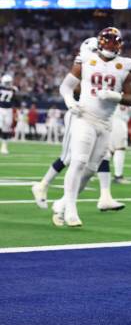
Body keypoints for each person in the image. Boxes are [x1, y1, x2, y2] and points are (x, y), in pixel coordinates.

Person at [51, 27, 131, 227]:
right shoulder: (86, 58)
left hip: (106, 123)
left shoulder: (126, 65)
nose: (110, 45)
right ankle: (71, 209)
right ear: (99, 42)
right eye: (106, 41)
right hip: (85, 117)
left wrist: (116, 96)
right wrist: (70, 102)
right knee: (78, 161)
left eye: (114, 41)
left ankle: (62, 203)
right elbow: (66, 86)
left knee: (90, 170)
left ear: (120, 45)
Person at [31, 37, 125, 213]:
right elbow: (72, 87)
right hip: (79, 114)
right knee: (69, 157)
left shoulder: (106, 65)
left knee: (102, 157)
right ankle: (43, 185)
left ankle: (104, 196)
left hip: (100, 118)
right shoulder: (85, 63)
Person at [0, 73, 18, 154]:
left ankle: (4, 146)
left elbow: (15, 100)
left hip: (9, 110)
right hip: (0, 108)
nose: (9, 84)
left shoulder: (13, 89)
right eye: (7, 82)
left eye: (9, 82)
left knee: (6, 128)